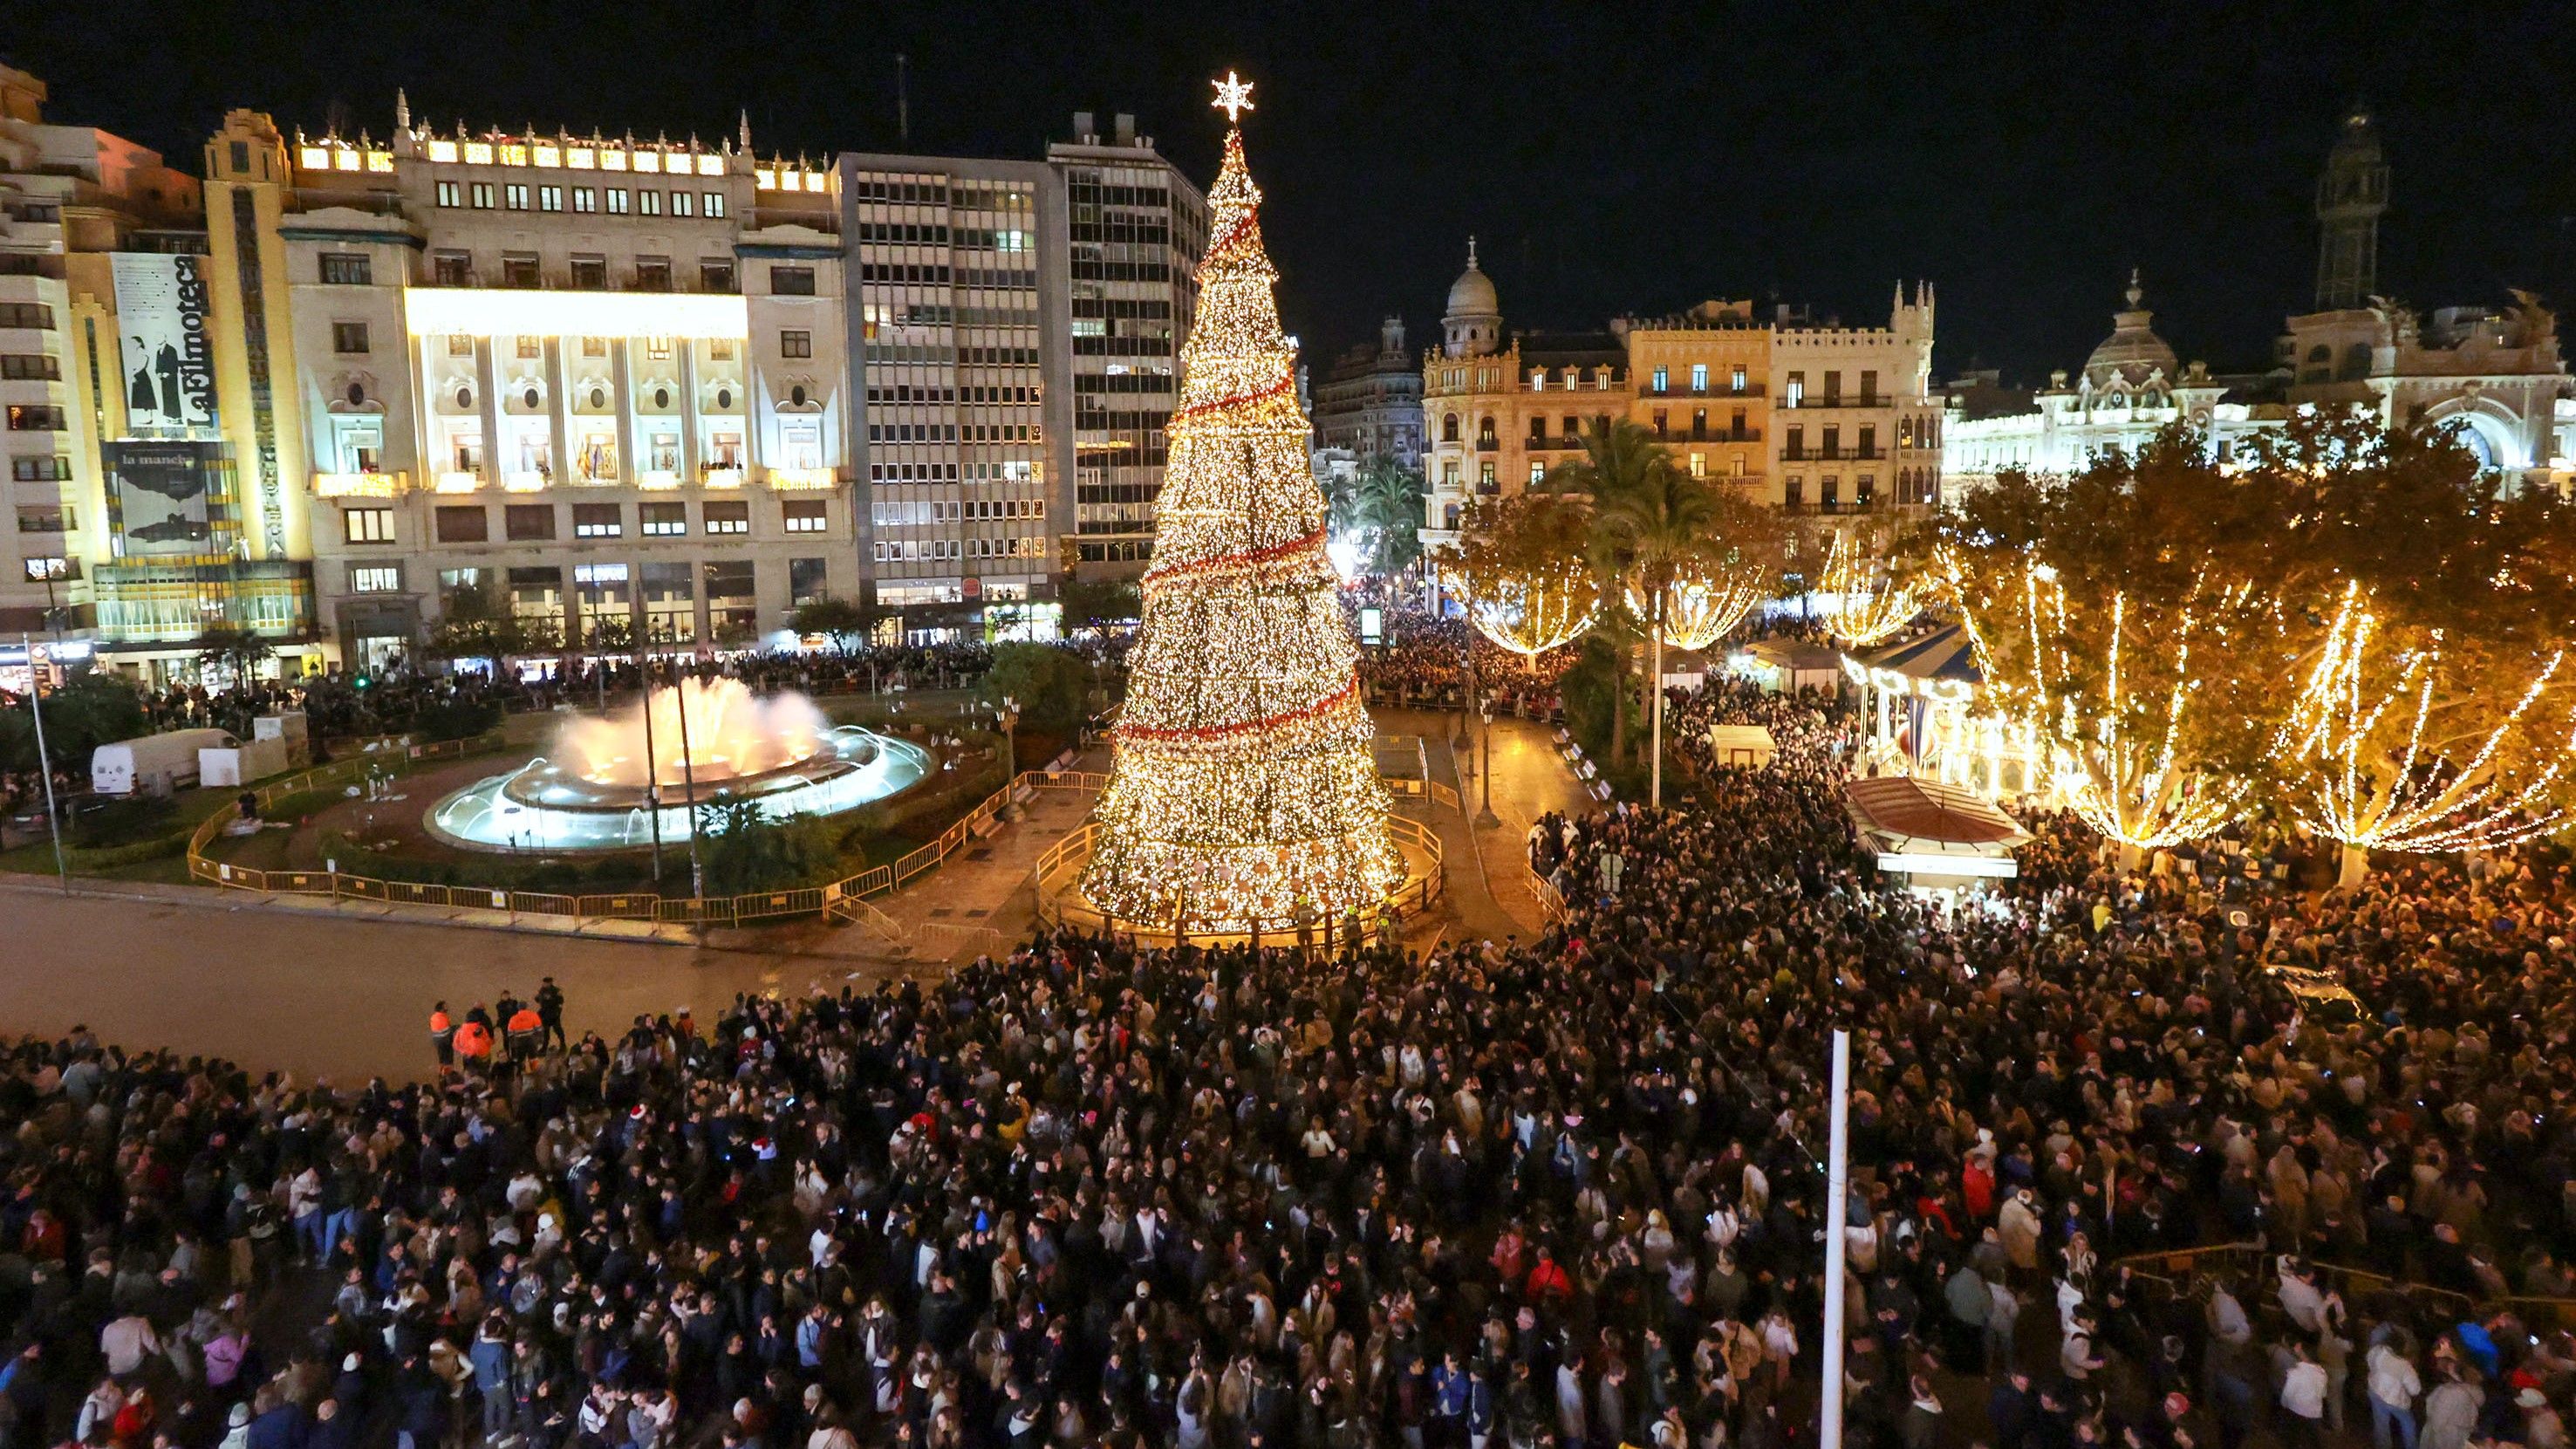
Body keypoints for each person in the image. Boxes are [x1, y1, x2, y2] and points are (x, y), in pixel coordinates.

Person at [427, 1001, 454, 1068]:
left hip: (437, 1041)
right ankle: (449, 1074)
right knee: (448, 1059)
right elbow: (448, 1029)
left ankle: (441, 1073)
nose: (447, 1008)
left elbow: (431, 1027)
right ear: (441, 1009)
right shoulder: (444, 1017)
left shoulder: (433, 1017)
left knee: (441, 1058)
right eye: (445, 1007)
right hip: (446, 1041)